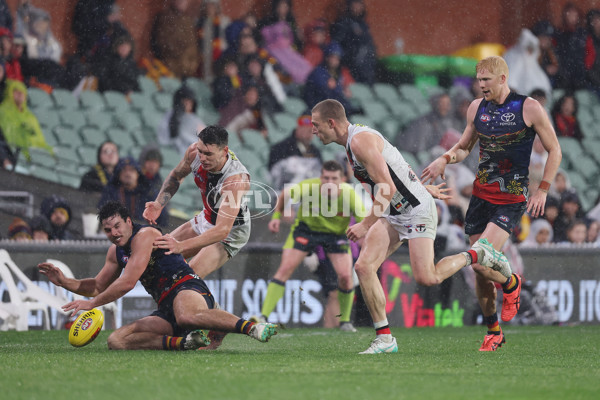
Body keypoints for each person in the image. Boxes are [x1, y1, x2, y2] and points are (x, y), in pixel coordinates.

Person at [310, 99, 512, 354]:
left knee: (428, 277)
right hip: (394, 211)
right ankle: (385, 339)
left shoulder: (359, 141)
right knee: (363, 267)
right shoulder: (354, 141)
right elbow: (396, 167)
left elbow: (387, 187)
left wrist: (365, 224)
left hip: (415, 211)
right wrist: (417, 187)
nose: (313, 131)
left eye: (316, 125)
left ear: (331, 123)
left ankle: (478, 254)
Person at [421, 56, 562, 351]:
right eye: (478, 79)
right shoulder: (476, 108)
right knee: (481, 270)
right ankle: (494, 329)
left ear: (502, 79)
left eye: (486, 79)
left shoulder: (529, 107)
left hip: (511, 198)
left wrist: (543, 190)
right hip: (481, 195)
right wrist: (444, 158)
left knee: (481, 253)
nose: (480, 84)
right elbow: (464, 148)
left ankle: (510, 284)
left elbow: (555, 150)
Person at [38, 201, 278, 351]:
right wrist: (66, 282)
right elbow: (97, 286)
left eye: (117, 226)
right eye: (108, 230)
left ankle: (252, 328)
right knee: (117, 341)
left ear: (129, 222)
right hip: (165, 307)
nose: (114, 233)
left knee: (185, 315)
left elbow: (127, 283)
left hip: (185, 287)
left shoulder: (145, 235)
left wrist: (91, 305)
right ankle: (184, 343)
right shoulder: (115, 252)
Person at [252, 160, 364, 331]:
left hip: (335, 236)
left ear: (342, 180)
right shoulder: (309, 187)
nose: (329, 183)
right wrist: (276, 218)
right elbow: (284, 195)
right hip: (305, 232)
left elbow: (365, 223)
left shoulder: (350, 195)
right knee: (284, 270)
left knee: (346, 277)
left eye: (334, 178)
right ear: (320, 177)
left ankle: (345, 322)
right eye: (326, 178)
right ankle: (263, 316)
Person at [143, 125, 251, 279]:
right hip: (206, 218)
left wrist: (181, 246)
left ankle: (209, 304)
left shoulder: (235, 181)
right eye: (201, 151)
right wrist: (159, 204)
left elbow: (222, 230)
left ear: (224, 151)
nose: (202, 158)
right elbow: (176, 176)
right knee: (158, 258)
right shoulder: (194, 152)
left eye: (208, 154)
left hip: (230, 233)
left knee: (186, 278)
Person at [99, 156, 169, 228]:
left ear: (138, 174)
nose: (127, 173)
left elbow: (162, 221)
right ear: (118, 174)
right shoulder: (111, 192)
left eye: (132, 170)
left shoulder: (149, 193)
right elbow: (103, 215)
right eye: (124, 170)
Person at [268, 114, 322, 191]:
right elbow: (275, 174)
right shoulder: (281, 148)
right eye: (309, 130)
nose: (311, 134)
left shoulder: (316, 151)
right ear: (299, 129)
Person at [157, 85, 207, 156]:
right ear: (179, 101)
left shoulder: (195, 119)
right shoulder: (170, 114)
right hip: (176, 152)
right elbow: (165, 136)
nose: (188, 104)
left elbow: (205, 136)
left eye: (190, 102)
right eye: (185, 101)